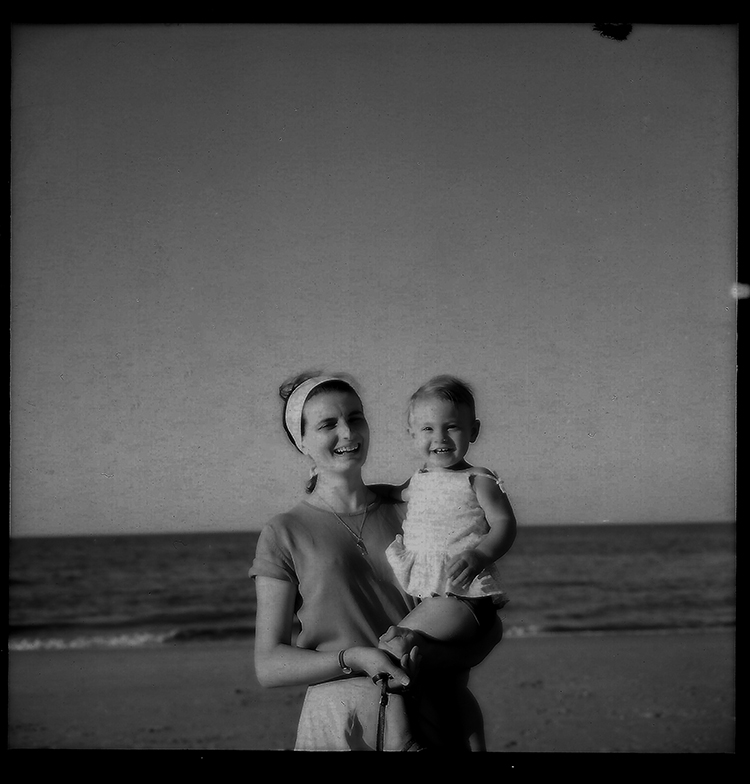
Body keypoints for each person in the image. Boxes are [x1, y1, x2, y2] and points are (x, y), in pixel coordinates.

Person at [249, 371, 503, 751]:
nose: (347, 433)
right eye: (327, 424)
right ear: (302, 441)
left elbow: (487, 625)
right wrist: (354, 658)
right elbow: (269, 665)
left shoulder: (416, 509)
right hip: (342, 723)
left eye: (355, 418)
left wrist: (433, 657)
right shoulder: (284, 532)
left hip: (428, 715)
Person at [378, 375, 517, 750]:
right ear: (411, 434)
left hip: (464, 597)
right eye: (427, 428)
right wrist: (361, 492)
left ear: (474, 430)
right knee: (449, 686)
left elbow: (505, 523)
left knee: (396, 645)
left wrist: (480, 553)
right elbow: (392, 493)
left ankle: (404, 742)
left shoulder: (478, 479)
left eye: (451, 426)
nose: (439, 438)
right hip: (436, 598)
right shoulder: (418, 480)